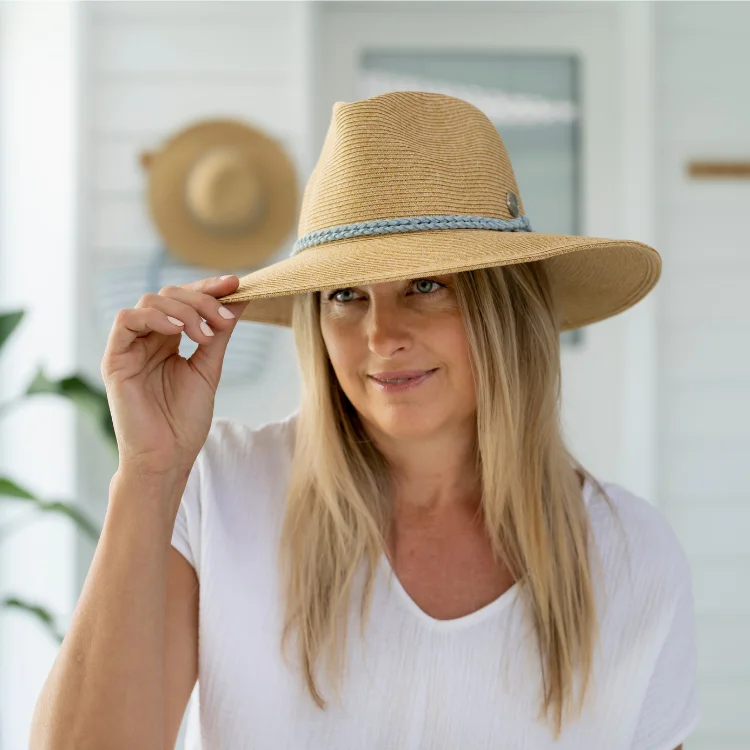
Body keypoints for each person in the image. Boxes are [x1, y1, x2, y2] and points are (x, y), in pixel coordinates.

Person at [30, 91, 699, 750]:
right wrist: (149, 472)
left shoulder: (631, 555)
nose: (381, 335)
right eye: (346, 295)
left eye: (426, 285)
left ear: (506, 308)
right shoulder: (220, 493)